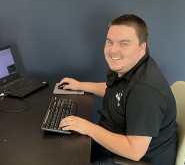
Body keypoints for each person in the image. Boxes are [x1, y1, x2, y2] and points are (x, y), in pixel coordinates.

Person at [59, 14, 178, 165]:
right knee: (59, 146)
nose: (113, 50)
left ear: (142, 47)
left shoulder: (145, 91)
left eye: (123, 44)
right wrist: (80, 85)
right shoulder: (126, 69)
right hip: (110, 146)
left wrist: (88, 127)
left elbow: (134, 151)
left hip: (130, 159)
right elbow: (114, 91)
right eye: (109, 42)